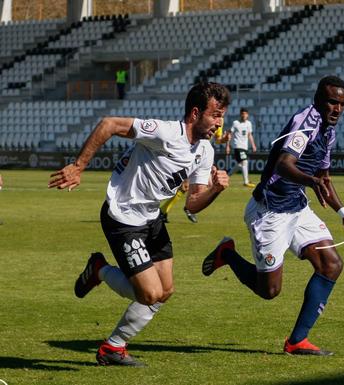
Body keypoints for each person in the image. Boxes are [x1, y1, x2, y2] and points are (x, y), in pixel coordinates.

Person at [47, 82, 231, 366]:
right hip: (123, 217)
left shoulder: (205, 151)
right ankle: (100, 270)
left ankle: (113, 348)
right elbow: (109, 124)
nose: (220, 123)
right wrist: (79, 166)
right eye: (216, 115)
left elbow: (192, 204)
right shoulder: (166, 132)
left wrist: (215, 190)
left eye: (222, 116)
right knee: (149, 294)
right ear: (195, 114)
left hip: (151, 218)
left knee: (165, 291)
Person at [202, 76, 344, 356]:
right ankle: (227, 254)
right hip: (270, 210)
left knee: (331, 265)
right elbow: (284, 164)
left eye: (342, 104)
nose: (337, 108)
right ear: (318, 100)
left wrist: (343, 213)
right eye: (332, 102)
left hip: (297, 207)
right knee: (269, 291)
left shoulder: (328, 130)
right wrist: (311, 182)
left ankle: (297, 341)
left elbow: (324, 177)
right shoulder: (305, 123)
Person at [226, 108, 257, 187]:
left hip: (245, 147)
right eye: (242, 114)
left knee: (240, 165)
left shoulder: (249, 124)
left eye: (245, 114)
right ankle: (246, 182)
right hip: (237, 146)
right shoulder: (235, 123)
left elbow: (249, 135)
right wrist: (228, 146)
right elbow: (229, 134)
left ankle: (227, 175)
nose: (244, 115)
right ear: (240, 114)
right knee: (244, 162)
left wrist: (253, 145)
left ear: (247, 115)